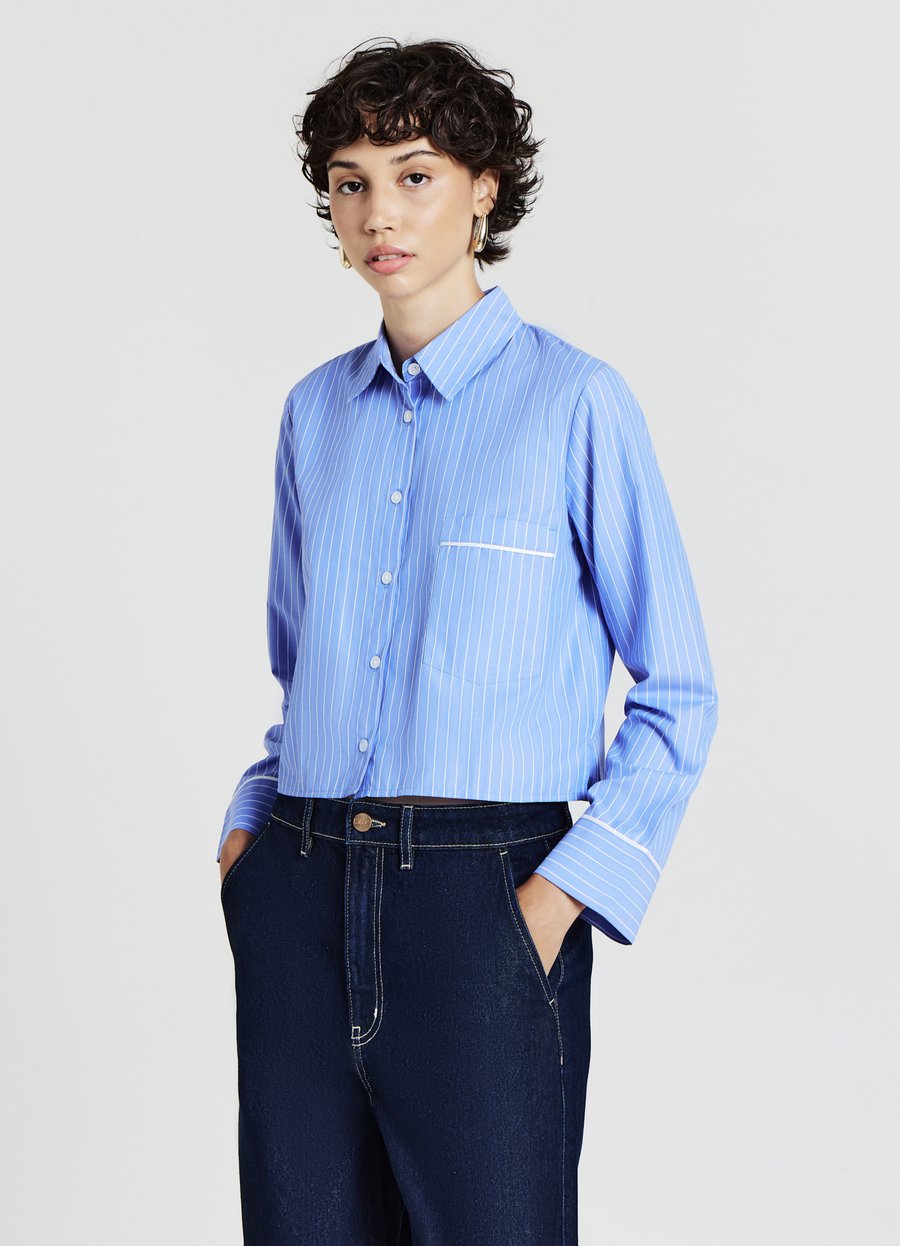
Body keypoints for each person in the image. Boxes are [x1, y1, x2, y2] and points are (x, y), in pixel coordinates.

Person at [217, 36, 718, 1245]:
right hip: (301, 880)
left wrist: (553, 901)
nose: (379, 213)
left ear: (483, 189)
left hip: (485, 895)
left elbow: (681, 688)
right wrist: (251, 837)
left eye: (415, 175)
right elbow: (302, 666)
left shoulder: (575, 402)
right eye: (350, 182)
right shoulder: (314, 413)